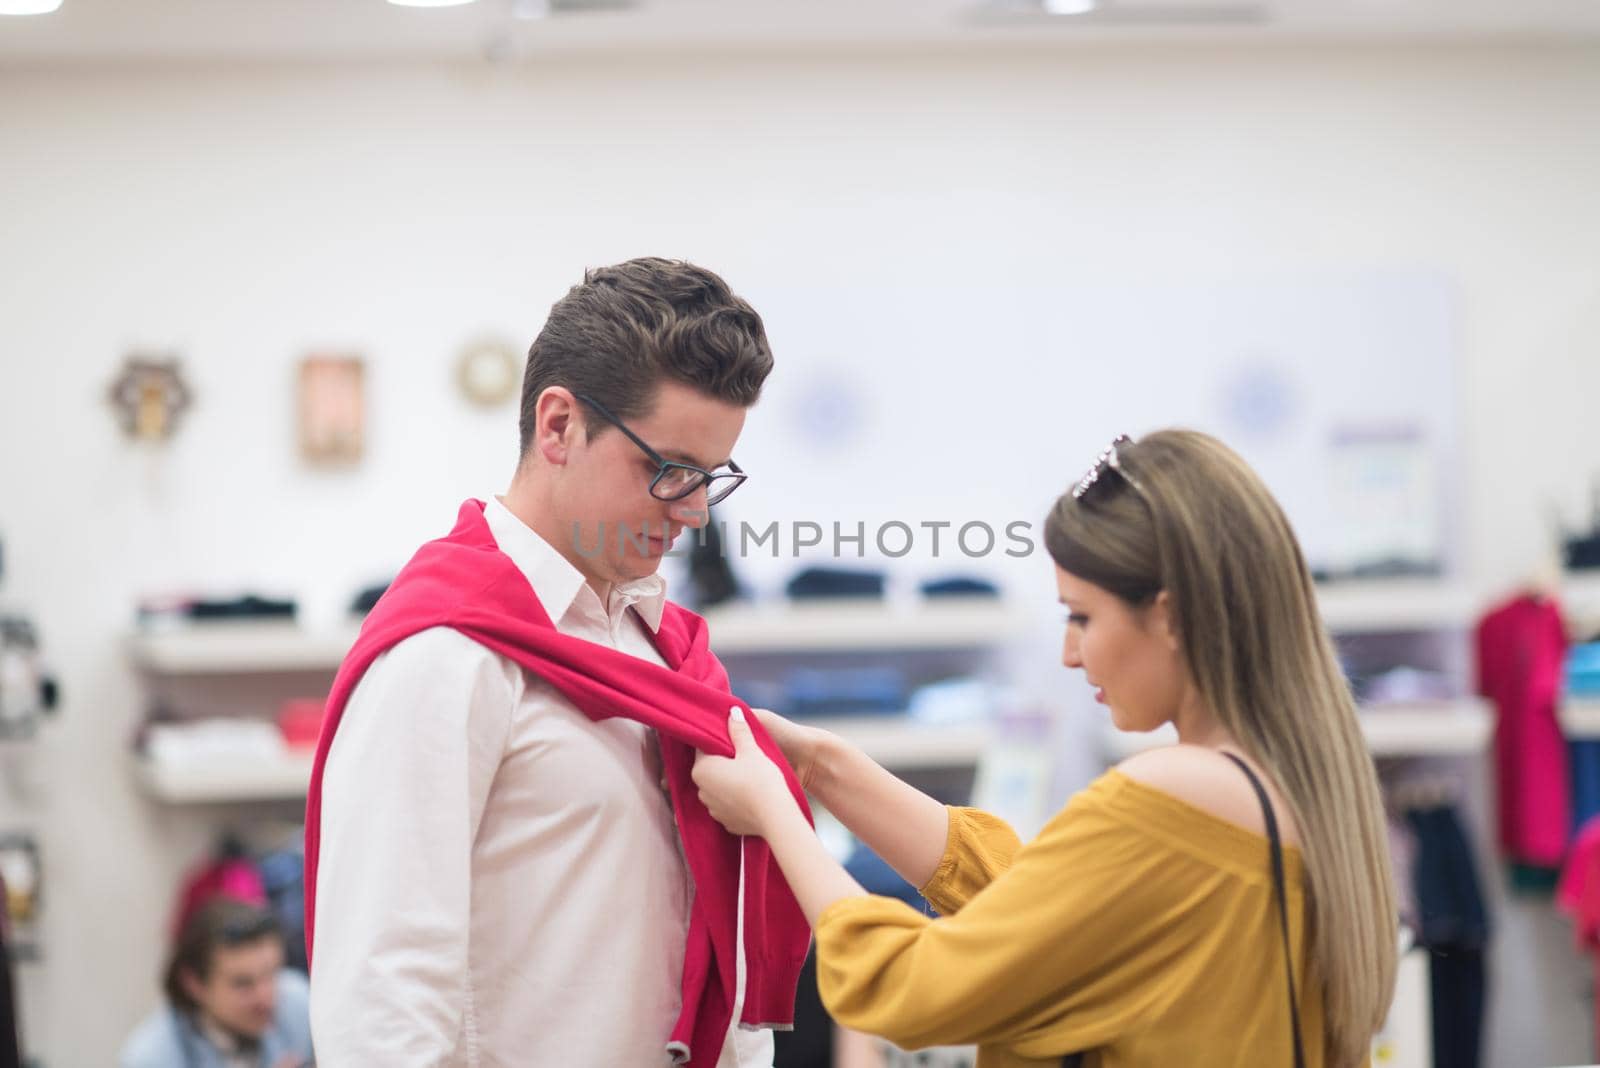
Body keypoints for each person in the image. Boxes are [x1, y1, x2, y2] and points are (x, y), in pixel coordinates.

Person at [692, 429, 1399, 1068]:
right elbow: (1034, 903)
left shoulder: (1171, 791)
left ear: (1171, 616)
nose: (1068, 653)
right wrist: (820, 767)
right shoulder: (1289, 787)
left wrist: (779, 816)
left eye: (1082, 617)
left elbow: (907, 988)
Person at [305, 258, 811, 1067]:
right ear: (558, 426)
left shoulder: (664, 648)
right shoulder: (444, 657)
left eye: (710, 479)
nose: (693, 513)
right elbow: (383, 998)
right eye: (668, 470)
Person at [119, 898, 312, 1068]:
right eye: (243, 983)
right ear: (193, 983)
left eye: (271, 974)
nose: (266, 996)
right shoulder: (151, 1059)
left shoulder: (299, 1002)